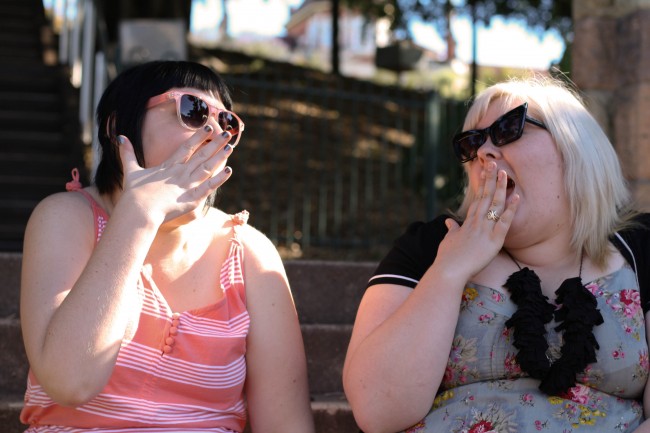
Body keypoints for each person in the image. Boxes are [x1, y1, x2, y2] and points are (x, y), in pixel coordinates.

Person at [20, 60, 315, 433]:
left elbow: (285, 424)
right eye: (192, 110)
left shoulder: (249, 252)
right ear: (117, 127)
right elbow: (70, 381)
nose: (212, 131)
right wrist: (139, 215)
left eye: (228, 123)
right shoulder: (66, 218)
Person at [343, 76, 650, 433]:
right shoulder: (433, 244)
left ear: (575, 145)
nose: (484, 152)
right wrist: (451, 269)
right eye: (472, 143)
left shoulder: (641, 248)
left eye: (508, 129)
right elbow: (377, 409)